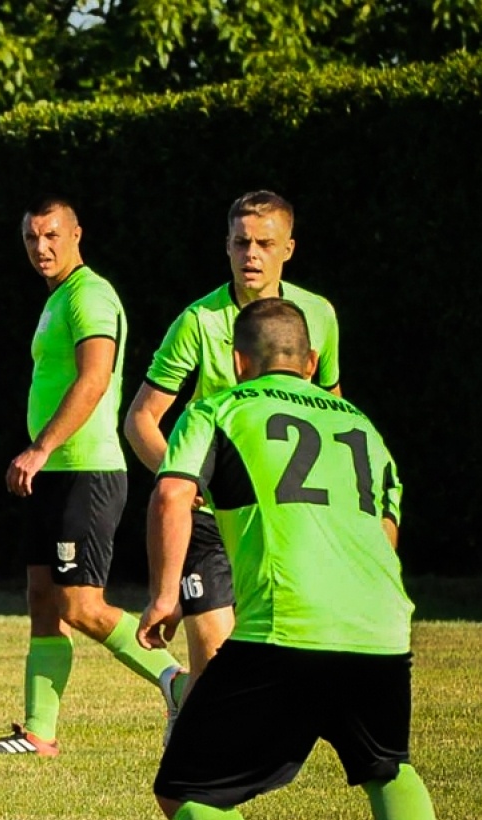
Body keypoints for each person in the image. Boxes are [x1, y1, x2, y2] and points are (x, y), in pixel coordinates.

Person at [139, 298, 467, 820]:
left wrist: (167, 592)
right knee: (386, 765)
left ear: (236, 360)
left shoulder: (222, 408)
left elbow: (171, 495)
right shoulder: (363, 425)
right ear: (313, 363)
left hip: (286, 627)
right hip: (381, 626)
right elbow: (385, 529)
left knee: (185, 790)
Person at [0, 197, 184, 757]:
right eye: (32, 238)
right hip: (57, 473)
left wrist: (41, 447)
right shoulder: (58, 299)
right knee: (43, 598)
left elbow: (96, 377)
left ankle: (178, 683)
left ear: (77, 234)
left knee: (80, 604)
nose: (42, 247)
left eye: (52, 235)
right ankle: (39, 733)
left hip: (85, 470)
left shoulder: (89, 294)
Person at [125, 190, 341, 694]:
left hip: (284, 518)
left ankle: (189, 704)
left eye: (265, 244)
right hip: (209, 522)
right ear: (226, 245)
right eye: (241, 242)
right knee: (219, 672)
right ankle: (193, 707)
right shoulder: (198, 322)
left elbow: (335, 414)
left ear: (289, 248)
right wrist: (187, 480)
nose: (251, 255)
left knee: (287, 665)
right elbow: (141, 420)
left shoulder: (319, 317)